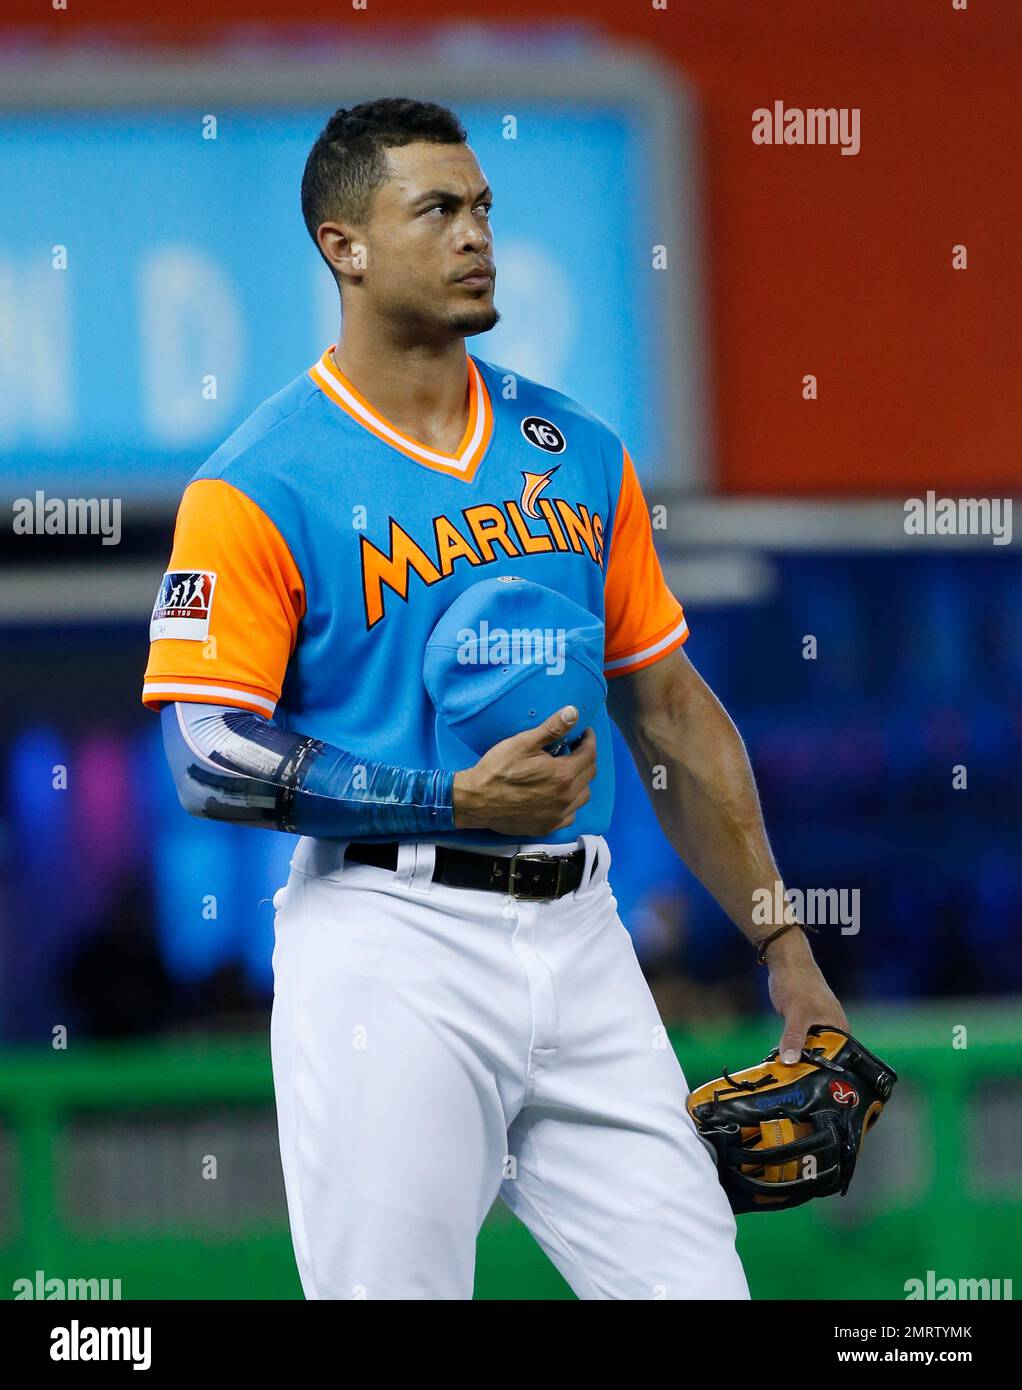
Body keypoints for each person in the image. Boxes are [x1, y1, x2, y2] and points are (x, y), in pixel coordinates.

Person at [142, 97, 848, 1300]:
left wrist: (782, 940)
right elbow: (207, 752)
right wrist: (448, 794)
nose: (475, 235)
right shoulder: (258, 479)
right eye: (436, 210)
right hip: (387, 942)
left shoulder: (572, 447)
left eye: (481, 208)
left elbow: (668, 707)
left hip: (582, 931)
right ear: (343, 246)